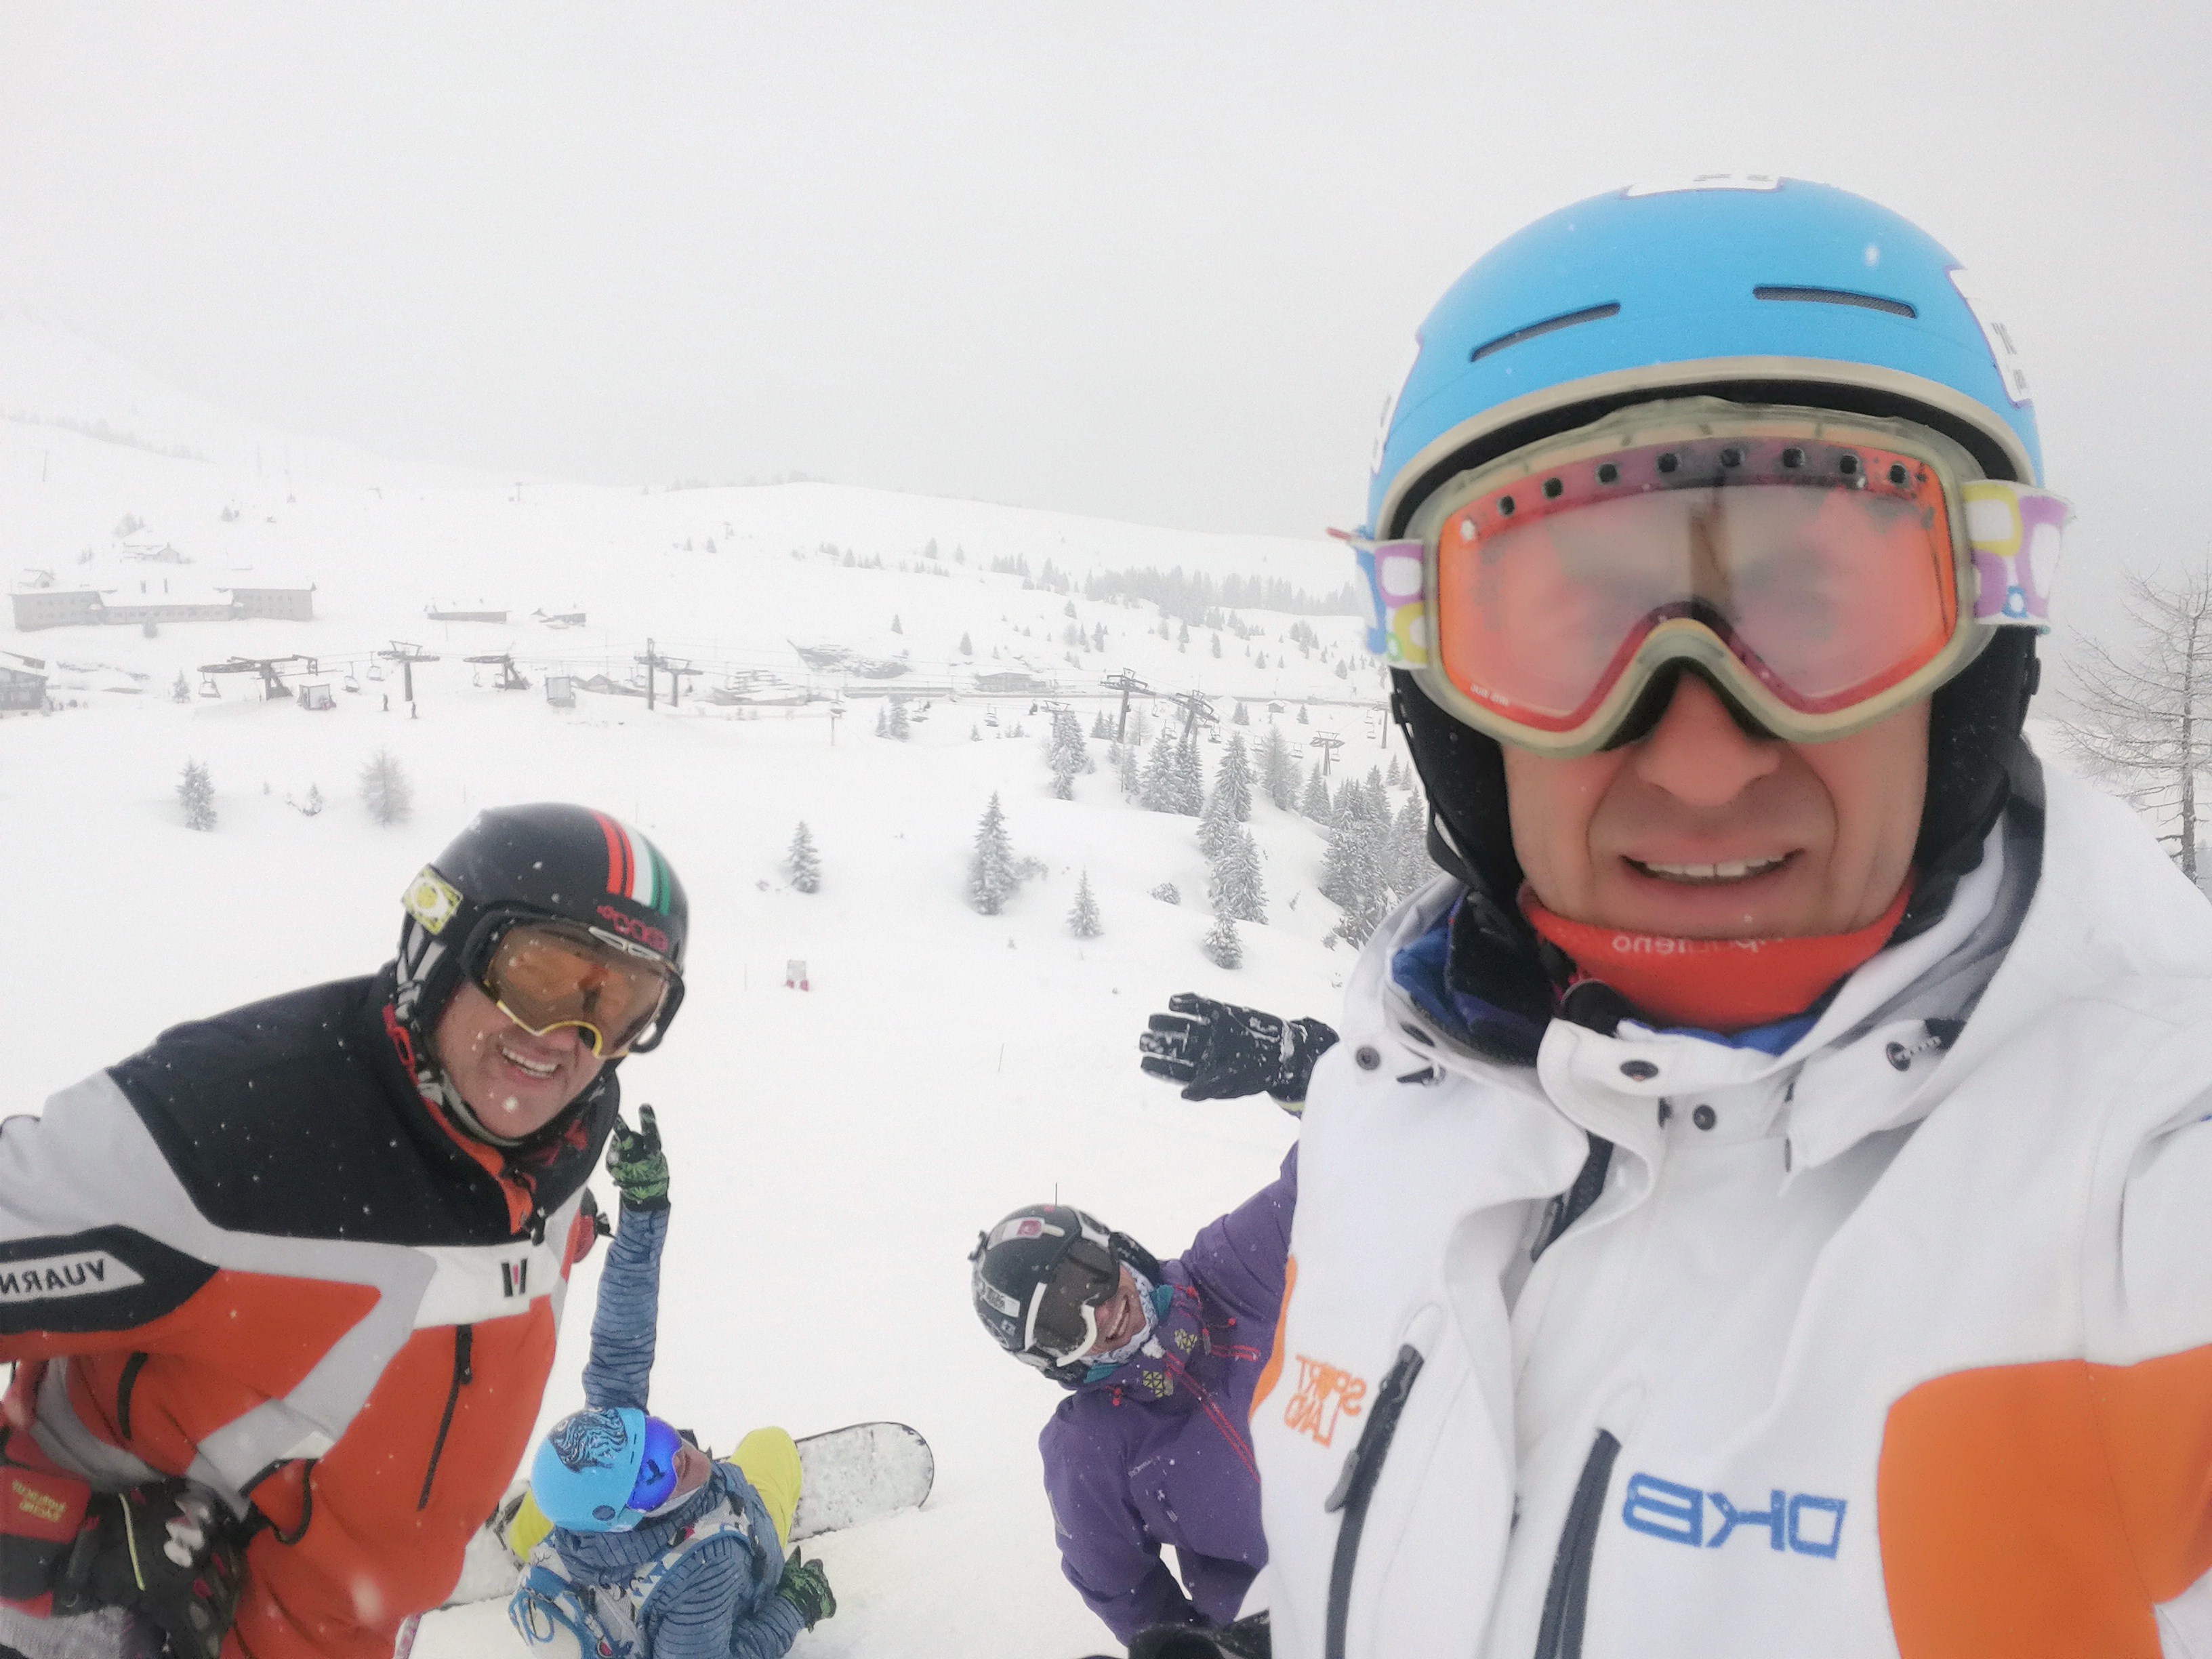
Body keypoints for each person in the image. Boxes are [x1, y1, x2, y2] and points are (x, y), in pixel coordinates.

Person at [1236, 178, 2212, 1659]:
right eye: (1569, 632)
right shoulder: (1398, 1093)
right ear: (1451, 712)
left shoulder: (2151, 1189)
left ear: (1972, 660)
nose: (1701, 760)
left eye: (1815, 615)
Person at [0, 804, 688, 1659]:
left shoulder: (557, 1145)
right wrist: (42, 1530)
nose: (566, 1040)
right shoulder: (234, 1136)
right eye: (540, 977)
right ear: (441, 948)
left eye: (619, 1003)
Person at [506, 1110, 833, 1659]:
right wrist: (792, 1607)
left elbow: (623, 1329)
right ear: (628, 1516)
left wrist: (643, 1210)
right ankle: (528, 1518)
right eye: (654, 1476)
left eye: (655, 1439)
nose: (679, 1458)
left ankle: (522, 1532)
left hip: (597, 1548)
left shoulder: (609, 1453)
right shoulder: (707, 1570)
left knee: (567, 1487)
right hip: (716, 1558)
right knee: (772, 1444)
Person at [969, 1162, 1293, 1652]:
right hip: (1293, 1628)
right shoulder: (1090, 1448)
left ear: (1114, 1248)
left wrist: (1322, 1113)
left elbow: (1332, 1179)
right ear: (1050, 1360)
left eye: (1088, 1275)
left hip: (1407, 1528)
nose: (1102, 1314)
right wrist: (1208, 1647)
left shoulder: (1230, 1271)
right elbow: (1127, 1591)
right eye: (1064, 1326)